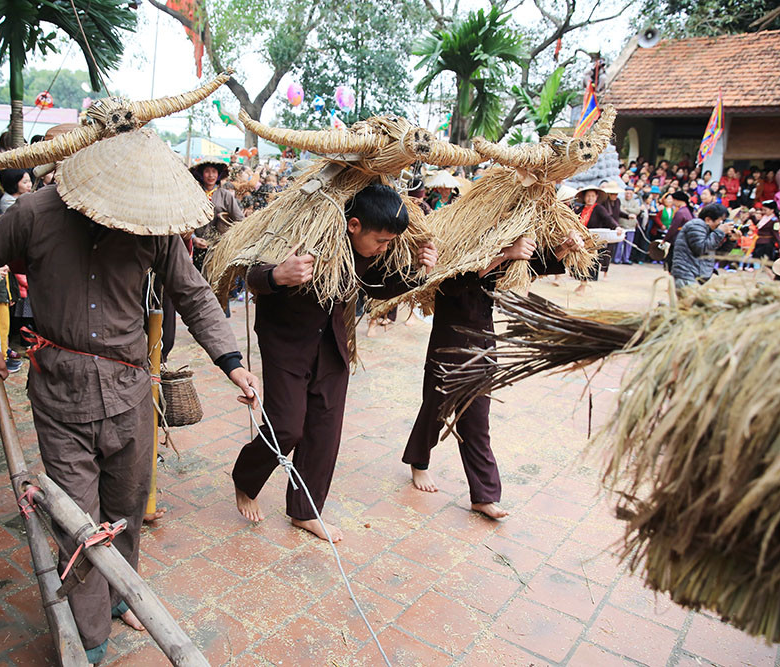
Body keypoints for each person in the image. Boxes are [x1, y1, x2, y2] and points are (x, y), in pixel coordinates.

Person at [0, 123, 260, 664]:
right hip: (60, 389)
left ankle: (122, 594)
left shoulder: (152, 221)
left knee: (125, 507)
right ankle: (89, 636)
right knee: (77, 518)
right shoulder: (35, 212)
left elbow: (192, 294)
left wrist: (232, 363)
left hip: (130, 391)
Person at [231, 184, 438, 542]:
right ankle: (245, 480)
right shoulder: (304, 230)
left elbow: (374, 285)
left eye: (389, 242)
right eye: (381, 241)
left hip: (330, 342)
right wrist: (278, 276)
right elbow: (251, 273)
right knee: (286, 427)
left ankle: (306, 511)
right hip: (286, 342)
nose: (384, 248)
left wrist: (419, 272)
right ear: (354, 225)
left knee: (324, 430)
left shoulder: (363, 251)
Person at [404, 233, 581, 519]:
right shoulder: (457, 239)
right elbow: (451, 283)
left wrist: (562, 249)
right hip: (449, 344)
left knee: (477, 421)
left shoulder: (499, 239)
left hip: (483, 346)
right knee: (434, 411)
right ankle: (419, 461)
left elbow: (526, 266)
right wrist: (505, 253)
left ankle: (484, 495)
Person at [189, 157, 244, 267]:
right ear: (201, 174)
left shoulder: (226, 195)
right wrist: (193, 238)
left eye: (214, 172)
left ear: (218, 175)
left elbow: (240, 220)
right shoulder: (193, 194)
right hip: (195, 247)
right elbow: (186, 221)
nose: (211, 175)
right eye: (207, 171)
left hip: (218, 249)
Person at [671, 203, 733, 289]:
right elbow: (701, 248)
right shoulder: (696, 225)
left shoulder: (709, 230)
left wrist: (731, 241)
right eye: (721, 221)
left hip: (696, 276)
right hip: (687, 275)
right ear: (708, 220)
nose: (722, 224)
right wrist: (719, 232)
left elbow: (715, 255)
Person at [573, 186, 617, 295]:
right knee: (579, 263)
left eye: (592, 196)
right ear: (584, 197)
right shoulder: (580, 209)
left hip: (592, 241)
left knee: (589, 263)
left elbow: (608, 219)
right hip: (581, 240)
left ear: (596, 197)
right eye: (588, 196)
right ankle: (581, 284)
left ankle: (583, 285)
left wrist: (616, 227)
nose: (590, 198)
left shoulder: (599, 209)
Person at [614, 187, 642, 264]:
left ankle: (626, 259)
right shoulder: (620, 201)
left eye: (630, 193)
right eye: (627, 193)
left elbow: (637, 211)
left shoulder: (635, 202)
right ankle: (617, 258)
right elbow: (620, 210)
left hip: (631, 226)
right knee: (619, 243)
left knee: (629, 244)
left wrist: (627, 209)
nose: (628, 195)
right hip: (622, 225)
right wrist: (630, 212)